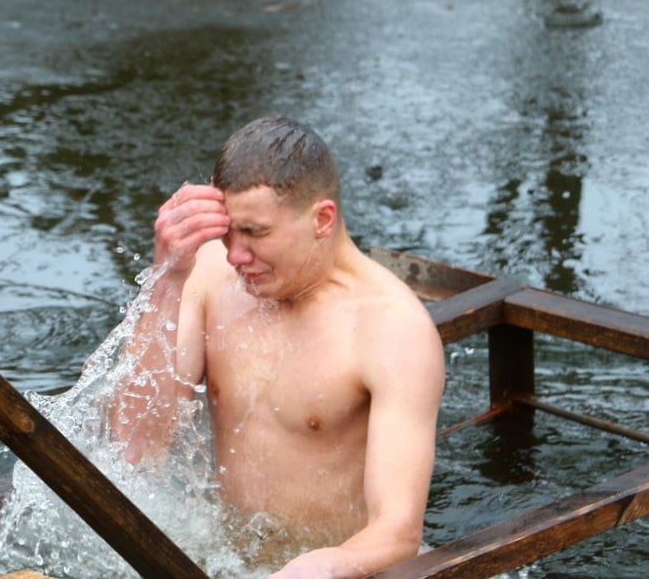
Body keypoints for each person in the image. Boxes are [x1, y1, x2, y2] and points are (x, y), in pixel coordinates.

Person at [110, 116, 445, 578]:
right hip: (227, 563)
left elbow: (398, 531)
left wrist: (323, 566)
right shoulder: (208, 274)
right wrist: (167, 278)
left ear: (322, 219)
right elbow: (135, 448)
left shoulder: (391, 330)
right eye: (228, 232)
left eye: (256, 233)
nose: (235, 255)